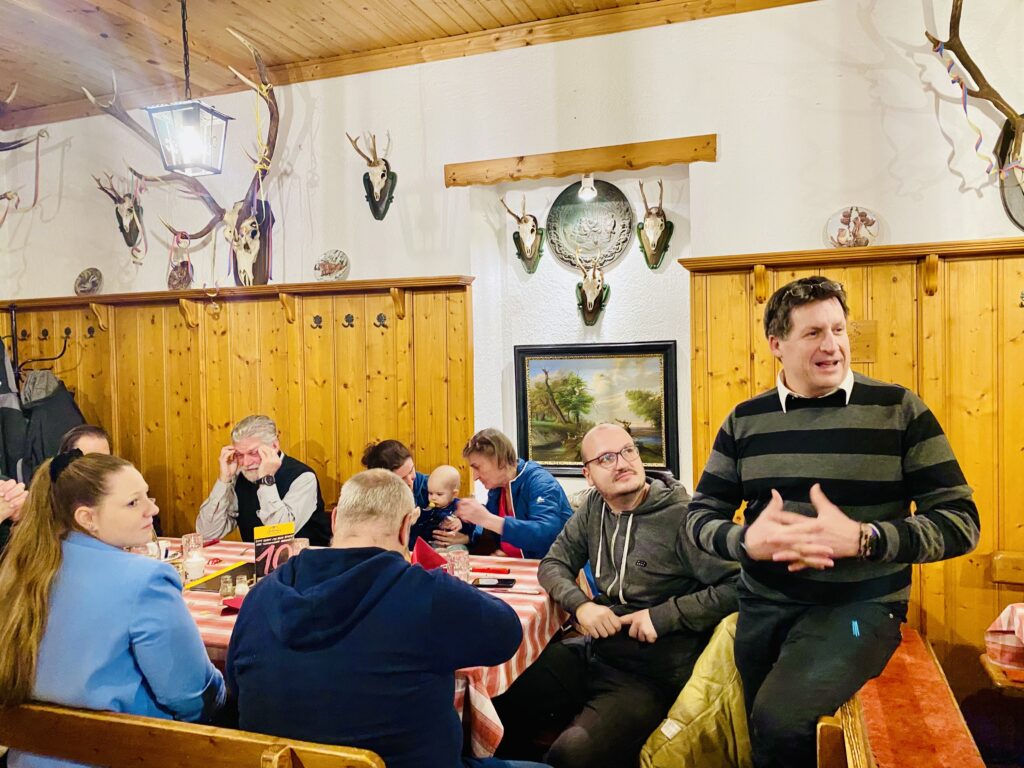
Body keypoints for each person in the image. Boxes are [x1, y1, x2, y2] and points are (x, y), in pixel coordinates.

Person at [685, 276, 980, 768]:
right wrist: (743, 542)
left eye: (839, 330)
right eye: (814, 333)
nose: (832, 345)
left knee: (781, 720)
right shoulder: (744, 420)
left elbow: (961, 521)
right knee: (761, 728)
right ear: (777, 345)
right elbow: (699, 516)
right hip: (762, 607)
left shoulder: (899, 410)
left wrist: (866, 538)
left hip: (860, 609)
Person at [226, 469, 551, 768]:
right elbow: (507, 633)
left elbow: (236, 691)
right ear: (405, 527)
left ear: (336, 519)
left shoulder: (261, 596)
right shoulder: (423, 593)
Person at [494, 423, 739, 768]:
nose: (622, 463)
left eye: (628, 451)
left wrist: (662, 616)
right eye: (606, 458)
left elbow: (738, 588)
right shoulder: (594, 507)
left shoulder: (684, 517)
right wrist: (581, 607)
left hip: (651, 673)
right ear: (588, 474)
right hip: (595, 651)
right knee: (499, 701)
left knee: (573, 754)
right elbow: (552, 564)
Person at [0, 451, 225, 768]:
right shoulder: (146, 580)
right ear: (86, 518)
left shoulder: (18, 569)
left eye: (147, 495)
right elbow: (189, 696)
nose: (153, 509)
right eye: (134, 502)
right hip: (125, 754)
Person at [197, 415, 331, 546]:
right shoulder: (239, 476)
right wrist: (224, 480)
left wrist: (266, 480)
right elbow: (207, 533)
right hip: (258, 564)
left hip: (306, 562)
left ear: (274, 446)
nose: (246, 463)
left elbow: (278, 535)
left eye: (253, 453)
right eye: (239, 455)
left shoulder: (303, 477)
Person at [448, 428, 571, 559]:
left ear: (499, 459)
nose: (474, 477)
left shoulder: (541, 482)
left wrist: (486, 519)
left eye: (477, 467)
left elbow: (546, 535)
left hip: (562, 570)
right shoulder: (497, 490)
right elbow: (491, 531)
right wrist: (467, 538)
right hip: (525, 569)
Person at [407, 464, 472, 549]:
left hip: (452, 546)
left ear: (454, 494)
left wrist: (461, 523)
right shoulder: (428, 509)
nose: (433, 498)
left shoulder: (460, 508)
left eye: (439, 494)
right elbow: (419, 530)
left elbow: (473, 526)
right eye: (430, 493)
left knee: (459, 548)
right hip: (432, 546)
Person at [361, 439, 429, 510]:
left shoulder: (430, 487)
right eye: (402, 479)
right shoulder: (372, 503)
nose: (410, 482)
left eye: (411, 470)